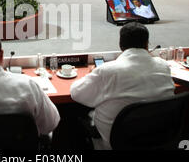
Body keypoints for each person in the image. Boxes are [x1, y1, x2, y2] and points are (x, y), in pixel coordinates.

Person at [70, 22, 174, 150]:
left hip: (117, 143)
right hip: (157, 139)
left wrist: (93, 74)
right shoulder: (163, 65)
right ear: (147, 44)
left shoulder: (107, 71)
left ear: (121, 45)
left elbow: (76, 93)